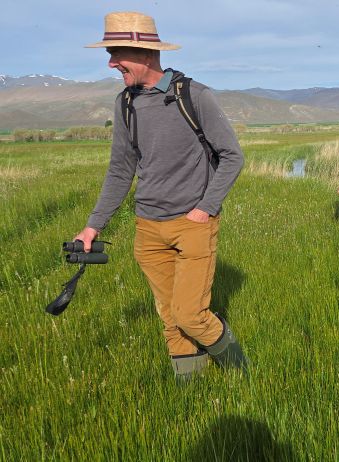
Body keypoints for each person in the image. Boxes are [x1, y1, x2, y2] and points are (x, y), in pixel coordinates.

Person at [75, 12, 247, 381]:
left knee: (190, 315)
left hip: (192, 224)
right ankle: (192, 391)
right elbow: (121, 169)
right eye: (109, 52)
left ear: (147, 54)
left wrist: (205, 209)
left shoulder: (193, 96)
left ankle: (245, 374)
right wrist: (93, 226)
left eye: (117, 52)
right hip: (148, 230)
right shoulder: (125, 104)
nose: (110, 62)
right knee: (170, 318)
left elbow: (232, 156)